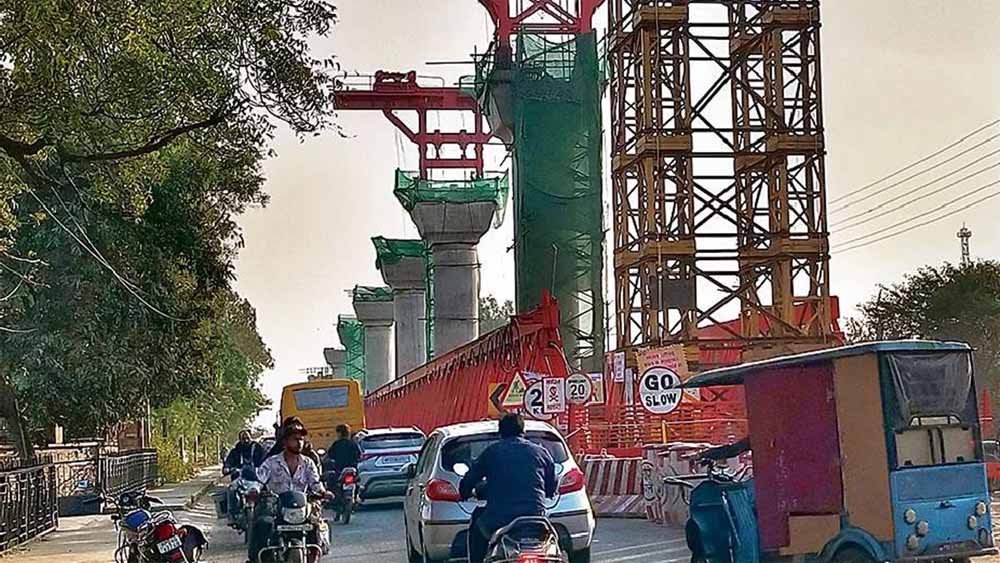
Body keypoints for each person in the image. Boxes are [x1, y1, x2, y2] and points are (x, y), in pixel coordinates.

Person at [459, 413, 557, 563]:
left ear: (500, 432)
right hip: (536, 517)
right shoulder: (541, 452)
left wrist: (465, 492)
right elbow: (552, 486)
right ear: (523, 431)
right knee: (554, 543)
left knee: (477, 526)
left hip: (499, 519)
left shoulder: (492, 452)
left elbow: (470, 480)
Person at [248, 419, 332, 563]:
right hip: (276, 508)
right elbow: (259, 480)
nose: (299, 442)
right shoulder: (271, 462)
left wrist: (323, 493)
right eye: (295, 439)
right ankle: (259, 558)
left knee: (317, 526)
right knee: (262, 524)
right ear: (285, 442)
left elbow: (315, 483)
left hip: (302, 508)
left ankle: (315, 556)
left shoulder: (308, 463)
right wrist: (254, 491)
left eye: (301, 439)